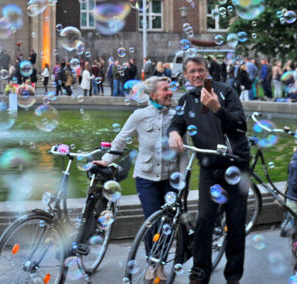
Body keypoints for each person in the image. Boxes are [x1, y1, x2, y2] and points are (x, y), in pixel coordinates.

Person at [168, 56, 248, 284]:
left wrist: (217, 109)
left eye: (200, 70)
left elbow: (240, 124)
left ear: (207, 71)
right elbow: (176, 123)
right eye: (192, 71)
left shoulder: (224, 92)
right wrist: (174, 133)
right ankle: (200, 271)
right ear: (185, 75)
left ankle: (233, 276)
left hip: (236, 163)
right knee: (204, 218)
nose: (196, 75)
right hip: (209, 166)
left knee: (235, 222)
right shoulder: (186, 100)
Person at [92, 76, 180, 279]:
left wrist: (182, 176)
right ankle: (152, 261)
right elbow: (121, 139)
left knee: (167, 223)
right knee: (152, 221)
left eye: (170, 89)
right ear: (153, 95)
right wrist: (106, 160)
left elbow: (184, 149)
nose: (170, 92)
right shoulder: (139, 115)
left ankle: (161, 263)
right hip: (146, 177)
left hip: (170, 178)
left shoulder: (177, 117)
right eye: (165, 89)